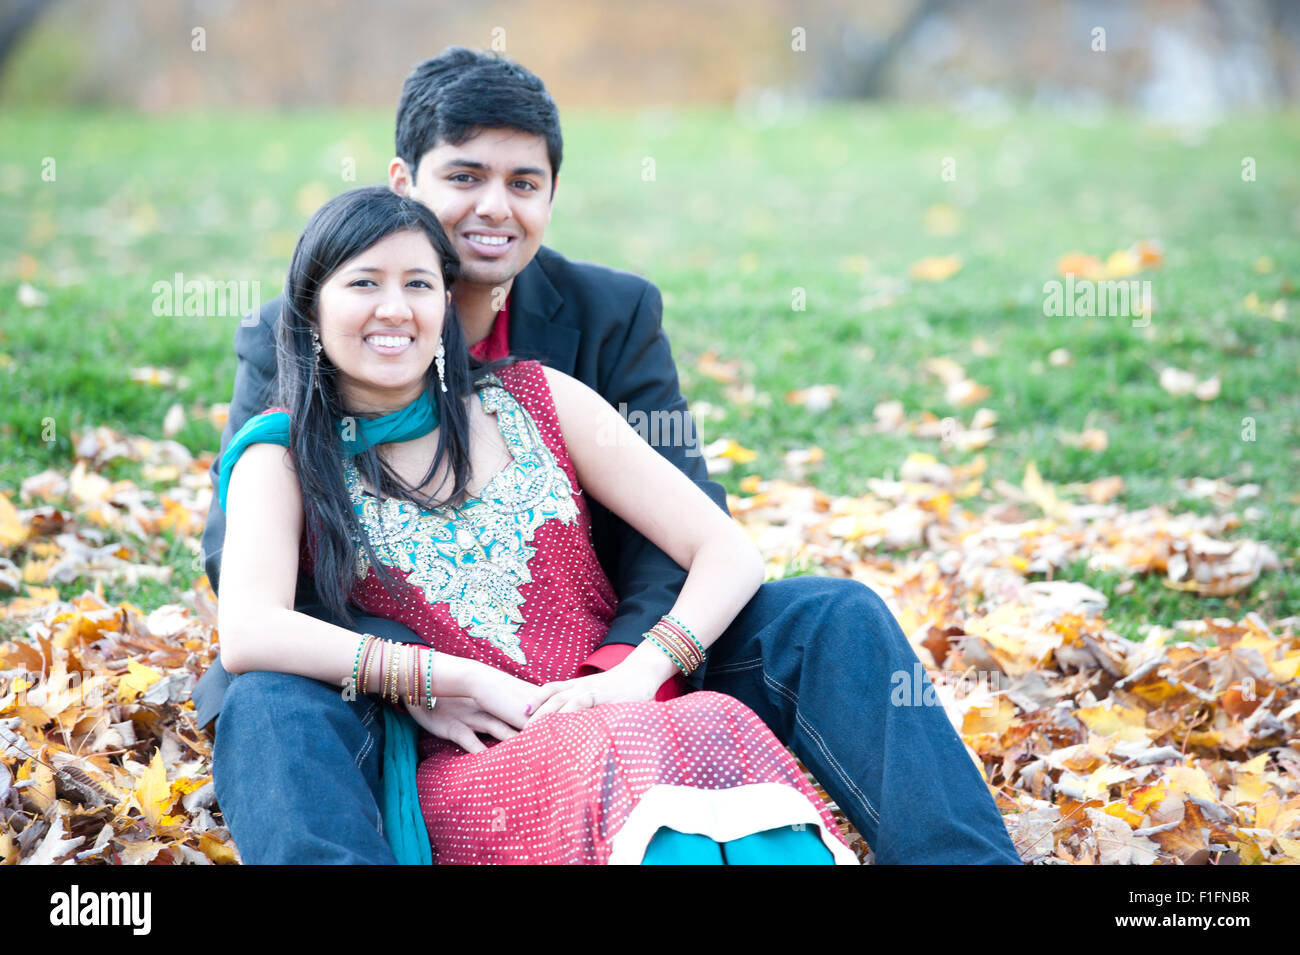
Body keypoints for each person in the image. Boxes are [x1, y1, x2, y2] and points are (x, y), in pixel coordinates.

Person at [197, 46, 1022, 865]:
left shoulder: (602, 323)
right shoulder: (300, 334)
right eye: (465, 176)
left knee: (834, 614)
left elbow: (684, 529)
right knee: (265, 699)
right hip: (394, 682)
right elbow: (248, 569)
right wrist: (426, 676)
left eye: (524, 183)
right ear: (404, 183)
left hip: (605, 647)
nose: (495, 207)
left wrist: (626, 670)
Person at [217, 185, 859, 864]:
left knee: (713, 715)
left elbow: (727, 550)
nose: (396, 308)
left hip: (619, 716)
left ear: (447, 304)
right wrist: (450, 678)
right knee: (619, 748)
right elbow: (250, 628)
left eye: (419, 283)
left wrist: (639, 672)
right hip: (477, 767)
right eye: (364, 283)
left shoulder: (536, 398)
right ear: (312, 309)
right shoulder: (282, 454)